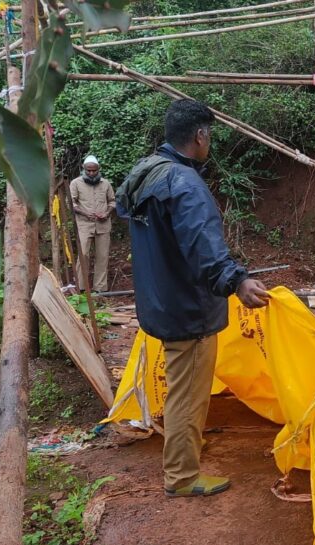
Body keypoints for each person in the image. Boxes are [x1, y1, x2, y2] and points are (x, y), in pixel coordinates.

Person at [116, 99, 270, 498]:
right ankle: (182, 476)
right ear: (200, 136)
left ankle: (185, 447)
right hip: (187, 308)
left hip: (161, 299)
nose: (210, 142)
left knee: (182, 386)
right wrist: (237, 282)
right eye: (210, 136)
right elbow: (203, 246)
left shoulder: (147, 171)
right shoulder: (184, 184)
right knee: (187, 394)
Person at [70, 155, 115, 292]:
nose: (91, 173)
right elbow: (72, 203)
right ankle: (81, 288)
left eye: (94, 170)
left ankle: (100, 289)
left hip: (103, 225)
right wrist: (84, 212)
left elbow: (112, 202)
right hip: (84, 225)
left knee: (102, 256)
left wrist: (106, 213)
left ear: (98, 169)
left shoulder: (105, 184)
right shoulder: (75, 183)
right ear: (83, 169)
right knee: (83, 254)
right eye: (88, 170)